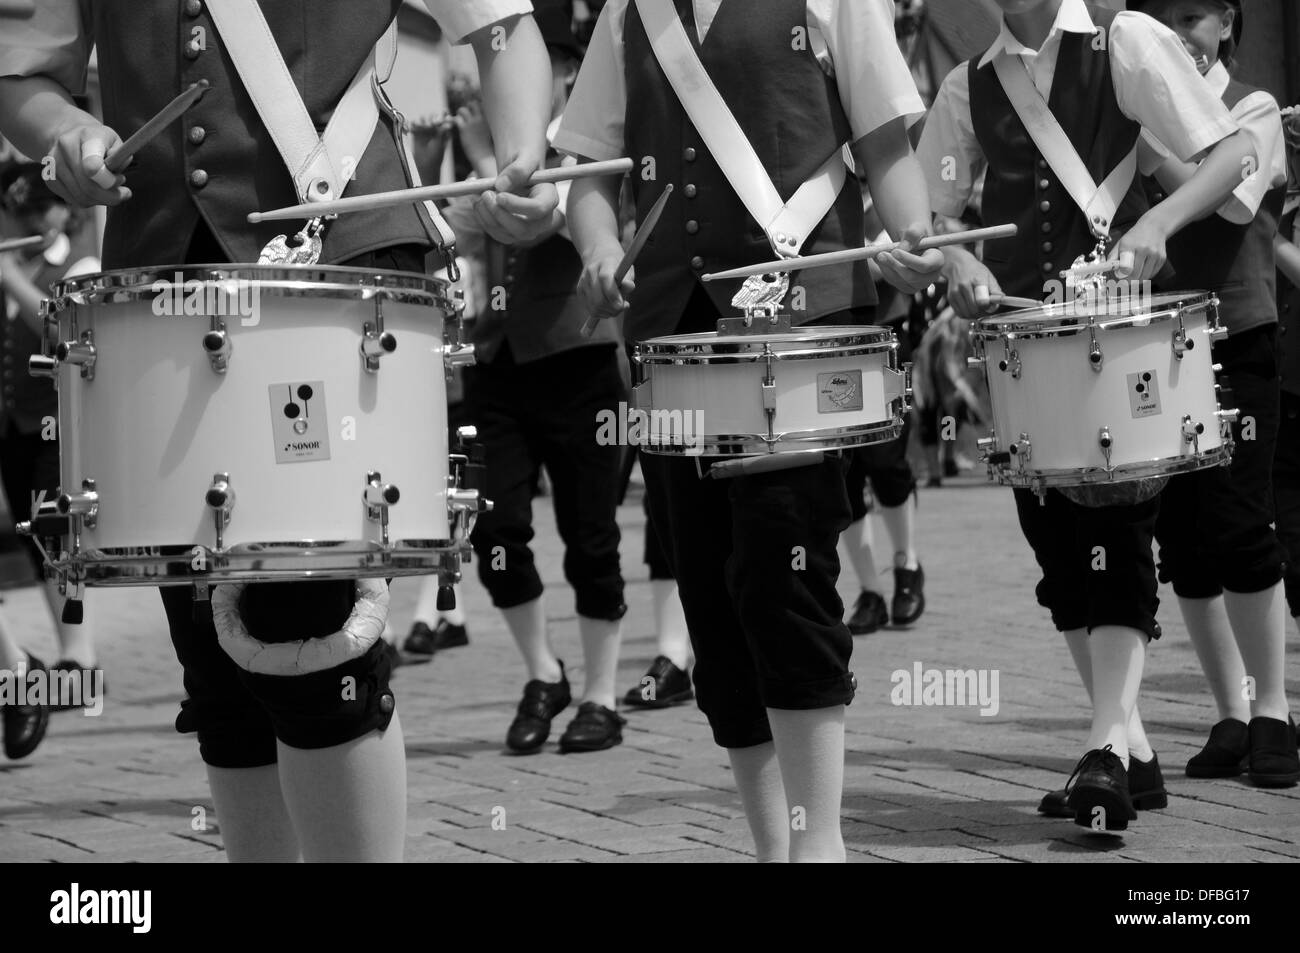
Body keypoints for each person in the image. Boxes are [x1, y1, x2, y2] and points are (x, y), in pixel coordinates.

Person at [0, 0, 559, 862]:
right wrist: (66, 128)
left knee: (313, 629)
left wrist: (523, 155)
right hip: (166, 286)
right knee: (212, 652)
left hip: (339, 262)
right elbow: (23, 66)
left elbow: (498, 23)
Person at [561, 0, 944, 862]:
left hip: (802, 336)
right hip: (675, 344)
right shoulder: (630, 11)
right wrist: (594, 249)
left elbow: (886, 144)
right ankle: (777, 847)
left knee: (784, 578)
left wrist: (912, 235)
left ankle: (821, 845)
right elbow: (588, 171)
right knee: (711, 598)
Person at [918, 0, 1257, 829]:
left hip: (1117, 341)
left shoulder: (1126, 40)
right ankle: (1132, 752)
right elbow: (923, 215)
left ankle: (1105, 743)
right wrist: (953, 254)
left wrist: (1159, 217)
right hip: (1025, 350)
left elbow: (1235, 151)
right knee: (1059, 554)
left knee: (1115, 529)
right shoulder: (968, 85)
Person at [439, 0, 630, 754]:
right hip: (496, 360)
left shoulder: (586, 144)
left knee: (592, 533)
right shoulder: (471, 143)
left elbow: (560, 216)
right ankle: (542, 672)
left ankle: (602, 693)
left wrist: (495, 177)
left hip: (577, 357)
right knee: (493, 527)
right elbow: (447, 225)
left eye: (544, 63)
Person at [1131, 0, 1297, 788]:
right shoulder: (1143, 103)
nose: (1181, 35)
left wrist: (1144, 144)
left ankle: (1275, 711)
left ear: (1228, 24)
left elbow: (1231, 196)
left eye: (1195, 17)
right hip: (1161, 344)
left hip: (1240, 336)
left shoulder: (1255, 107)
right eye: (1168, 21)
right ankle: (1230, 710)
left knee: (1242, 524)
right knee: (1185, 541)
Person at [0, 162, 101, 710]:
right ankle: (68, 660)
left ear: (66, 208)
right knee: (32, 539)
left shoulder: (80, 263)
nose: (33, 219)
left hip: (57, 425)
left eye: (42, 208)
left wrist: (9, 276)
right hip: (14, 425)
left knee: (58, 539)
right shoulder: (21, 262)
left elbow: (59, 328)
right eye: (23, 211)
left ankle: (80, 661)